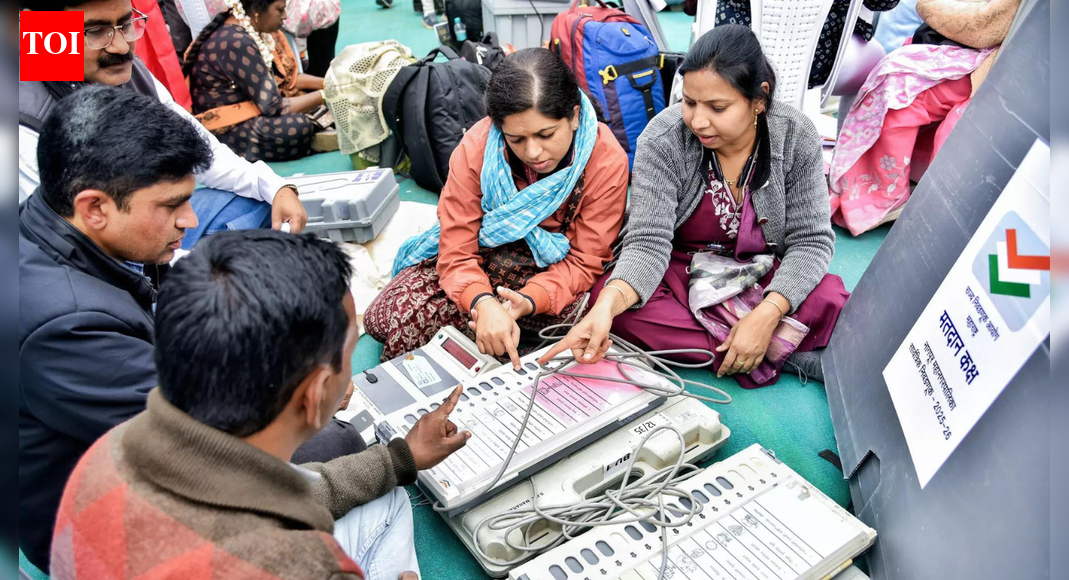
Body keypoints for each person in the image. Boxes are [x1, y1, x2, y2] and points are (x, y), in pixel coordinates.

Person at [17, 87, 351, 573]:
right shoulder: (66, 326)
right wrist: (299, 380)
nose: (189, 221)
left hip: (118, 447)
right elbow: (200, 434)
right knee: (339, 444)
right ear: (95, 208)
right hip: (92, 526)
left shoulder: (64, 227)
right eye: (172, 205)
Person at [50, 229, 471, 580]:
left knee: (387, 495)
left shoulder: (111, 447)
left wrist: (401, 458)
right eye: (347, 350)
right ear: (317, 391)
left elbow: (283, 489)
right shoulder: (302, 566)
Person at [542, 26, 849, 388]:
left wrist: (769, 312)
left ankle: (752, 342)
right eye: (689, 102)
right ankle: (783, 350)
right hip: (682, 273)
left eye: (718, 107)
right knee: (617, 307)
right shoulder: (663, 139)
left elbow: (811, 241)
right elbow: (647, 244)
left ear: (759, 99)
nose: (698, 121)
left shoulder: (795, 135)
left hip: (759, 273)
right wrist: (605, 310)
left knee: (828, 296)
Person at [363, 48, 629, 367]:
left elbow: (585, 260)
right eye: (516, 139)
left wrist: (527, 301)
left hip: (553, 276)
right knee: (385, 318)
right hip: (484, 261)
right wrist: (482, 301)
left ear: (573, 117)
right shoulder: (478, 148)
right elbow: (457, 247)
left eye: (546, 134)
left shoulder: (605, 159)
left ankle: (494, 337)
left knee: (600, 317)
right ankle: (496, 334)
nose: (533, 152)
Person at [17, 0, 308, 239]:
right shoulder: (22, 119)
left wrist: (275, 186)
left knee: (262, 205)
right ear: (44, 31)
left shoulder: (133, 75)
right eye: (95, 31)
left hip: (145, 230)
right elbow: (62, 243)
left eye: (125, 24)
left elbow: (203, 149)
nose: (120, 47)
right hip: (93, 264)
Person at [829, 0, 1021, 235]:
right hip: (973, 54)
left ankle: (883, 194)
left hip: (985, 62)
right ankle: (885, 186)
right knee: (890, 73)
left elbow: (982, 27)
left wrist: (930, 7)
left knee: (896, 91)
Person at [184, 0, 334, 162]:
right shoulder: (236, 40)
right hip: (224, 128)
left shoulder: (254, 30)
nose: (284, 16)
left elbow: (287, 81)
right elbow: (274, 107)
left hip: (255, 109)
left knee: (316, 108)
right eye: (280, 10)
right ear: (257, 11)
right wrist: (327, 93)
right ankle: (313, 133)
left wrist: (330, 82)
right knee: (297, 127)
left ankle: (316, 131)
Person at [711, 0, 901, 89]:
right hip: (818, 66)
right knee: (879, 64)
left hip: (732, 58)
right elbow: (882, 3)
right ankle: (846, 159)